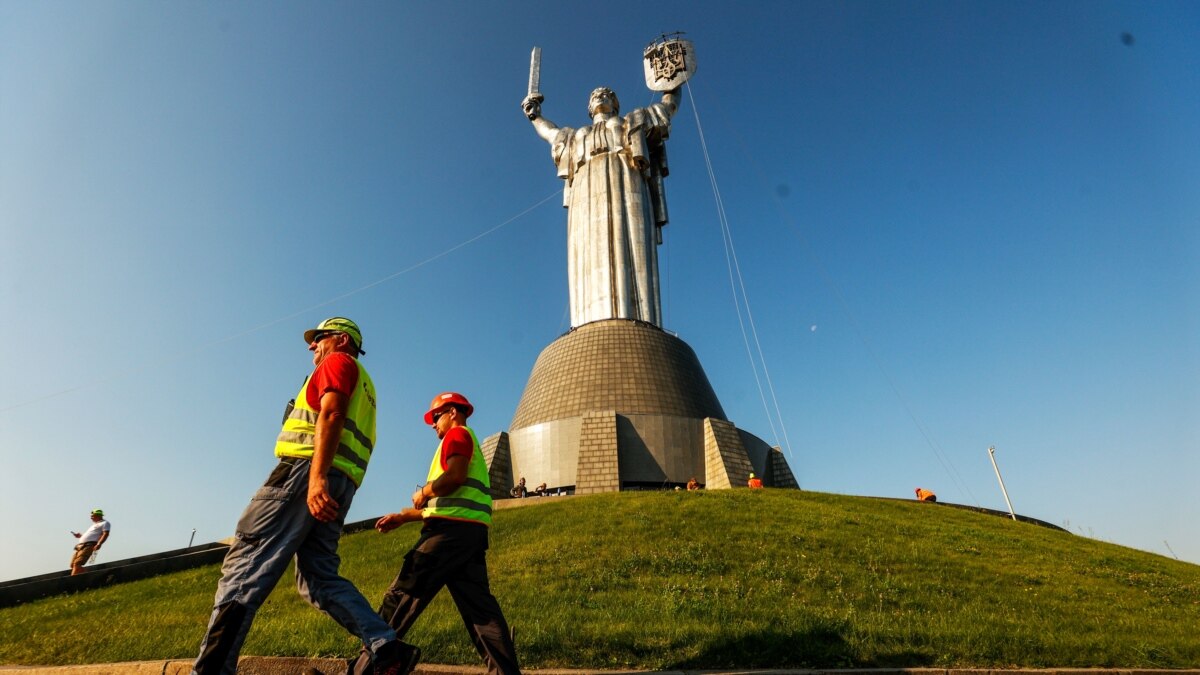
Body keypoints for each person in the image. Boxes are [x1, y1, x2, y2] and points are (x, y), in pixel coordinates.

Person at [192, 318, 418, 675]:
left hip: (303, 475)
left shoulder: (338, 362)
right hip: (341, 482)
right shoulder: (368, 385)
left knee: (244, 569)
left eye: (319, 338)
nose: (312, 346)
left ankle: (210, 670)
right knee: (317, 578)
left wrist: (315, 479)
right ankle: (385, 646)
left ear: (341, 340)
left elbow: (331, 413)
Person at [355, 392, 521, 675]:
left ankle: (361, 671)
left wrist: (424, 491)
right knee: (482, 614)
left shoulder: (456, 437)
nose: (433, 424)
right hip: (469, 537)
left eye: (436, 416)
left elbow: (453, 478)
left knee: (400, 597)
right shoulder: (470, 445)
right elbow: (454, 503)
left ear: (453, 412)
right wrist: (405, 516)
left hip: (446, 536)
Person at [522, 85, 679, 328]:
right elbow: (551, 134)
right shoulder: (575, 136)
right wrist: (535, 116)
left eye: (607, 95)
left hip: (626, 181)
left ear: (616, 104)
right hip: (585, 192)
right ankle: (589, 324)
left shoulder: (631, 121)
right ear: (588, 107)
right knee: (588, 250)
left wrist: (672, 86)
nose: (600, 97)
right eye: (595, 95)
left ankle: (639, 321)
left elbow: (666, 110)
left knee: (631, 242)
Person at [70, 509, 111, 575]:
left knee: (77, 564)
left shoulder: (105, 523)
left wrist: (99, 544)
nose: (91, 517)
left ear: (98, 515)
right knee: (72, 565)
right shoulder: (94, 525)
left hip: (89, 545)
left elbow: (105, 534)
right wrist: (81, 536)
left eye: (92, 516)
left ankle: (71, 582)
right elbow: (92, 535)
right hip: (80, 546)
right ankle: (91, 576)